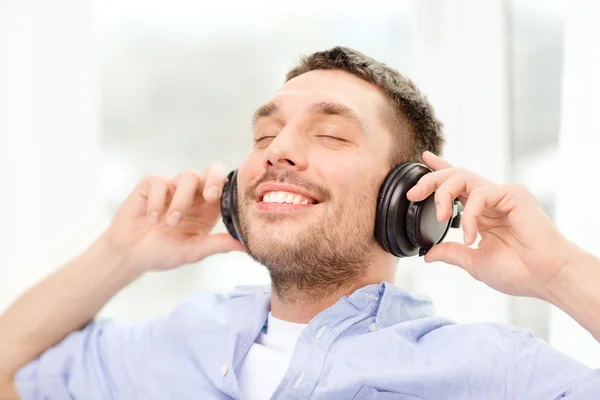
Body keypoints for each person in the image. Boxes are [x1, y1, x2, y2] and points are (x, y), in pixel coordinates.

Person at [0, 46, 599, 400]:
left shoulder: (488, 370)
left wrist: (559, 272)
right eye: (264, 134)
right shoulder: (173, 341)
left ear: (408, 200)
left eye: (332, 133)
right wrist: (121, 253)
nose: (275, 151)